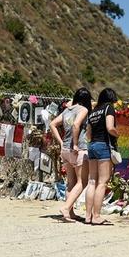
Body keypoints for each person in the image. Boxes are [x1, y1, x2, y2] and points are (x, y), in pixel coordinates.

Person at [49, 87, 92, 222]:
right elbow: (76, 125)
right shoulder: (84, 110)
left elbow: (52, 124)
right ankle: (67, 207)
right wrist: (75, 144)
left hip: (65, 150)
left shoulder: (68, 110)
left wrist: (61, 142)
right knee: (82, 181)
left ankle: (70, 213)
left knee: (70, 182)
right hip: (78, 149)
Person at [85, 88, 119, 226]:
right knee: (102, 182)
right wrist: (117, 134)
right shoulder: (108, 108)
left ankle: (87, 216)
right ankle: (97, 216)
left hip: (92, 145)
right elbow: (110, 127)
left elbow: (88, 134)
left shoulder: (93, 111)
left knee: (92, 181)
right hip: (103, 145)